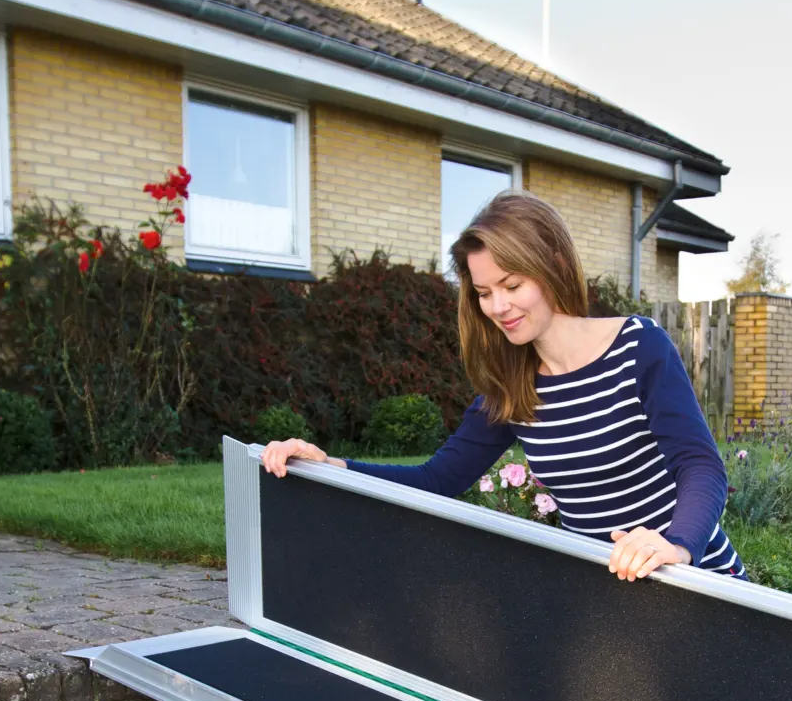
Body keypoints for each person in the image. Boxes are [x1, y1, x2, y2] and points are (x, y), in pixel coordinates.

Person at [261, 192, 746, 583]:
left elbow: (700, 464)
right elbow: (437, 480)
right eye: (484, 293)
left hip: (697, 578)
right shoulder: (511, 388)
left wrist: (676, 545)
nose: (497, 307)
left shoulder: (639, 347)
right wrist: (332, 465)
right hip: (609, 590)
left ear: (554, 266)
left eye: (512, 286)